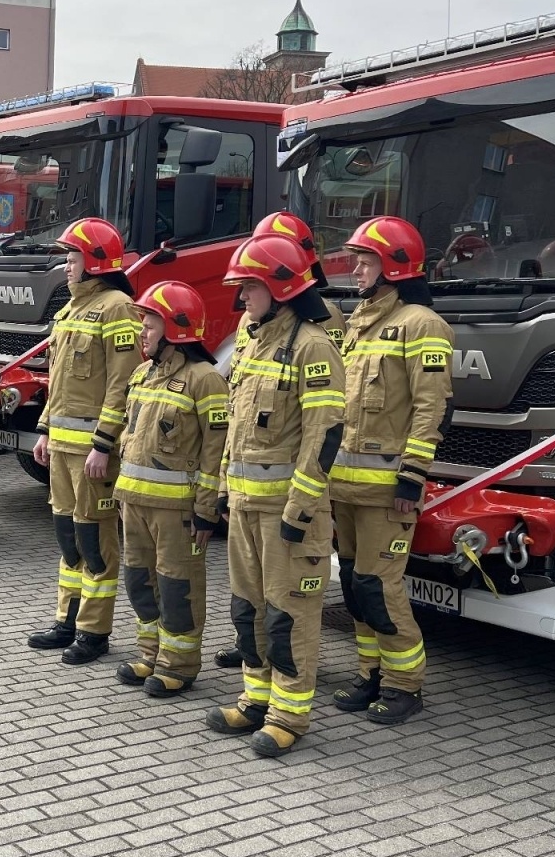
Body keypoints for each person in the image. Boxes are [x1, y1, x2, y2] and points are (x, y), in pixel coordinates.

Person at [205, 236, 347, 757]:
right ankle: (256, 700)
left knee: (289, 616)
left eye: (249, 286)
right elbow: (237, 424)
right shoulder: (251, 339)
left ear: (280, 288)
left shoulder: (313, 346)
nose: (241, 296)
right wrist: (225, 490)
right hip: (245, 507)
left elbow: (323, 435)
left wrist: (300, 508)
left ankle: (289, 715)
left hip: (288, 515)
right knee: (248, 611)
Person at [329, 216, 454, 725]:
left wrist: (413, 474)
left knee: (381, 588)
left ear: (396, 267)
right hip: (344, 486)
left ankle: (405, 685)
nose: (356, 269)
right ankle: (371, 674)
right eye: (357, 260)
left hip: (387, 491)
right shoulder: (358, 323)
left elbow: (433, 406)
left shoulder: (422, 324)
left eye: (366, 261)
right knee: (356, 587)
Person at [27, 218, 143, 664]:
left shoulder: (117, 308)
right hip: (61, 446)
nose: (66, 265)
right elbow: (58, 382)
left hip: (92, 451)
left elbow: (122, 383)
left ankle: (94, 632)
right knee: (68, 537)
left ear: (95, 261)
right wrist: (44, 430)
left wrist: (104, 442)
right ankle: (67, 620)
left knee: (95, 542)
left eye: (72, 257)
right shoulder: (70, 310)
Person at [112, 281, 229, 697]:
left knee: (178, 589)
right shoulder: (142, 374)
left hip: (177, 511)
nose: (141, 332)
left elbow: (216, 452)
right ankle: (150, 654)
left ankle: (178, 665)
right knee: (139, 583)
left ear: (176, 328)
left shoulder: (205, 380)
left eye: (149, 325)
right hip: (134, 504)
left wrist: (206, 511)